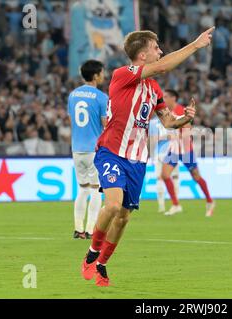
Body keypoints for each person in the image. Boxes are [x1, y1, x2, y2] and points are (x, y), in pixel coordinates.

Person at [80, 26, 215, 287]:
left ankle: (103, 265)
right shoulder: (122, 74)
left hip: (137, 160)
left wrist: (184, 118)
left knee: (124, 217)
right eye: (156, 48)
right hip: (111, 152)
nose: (160, 51)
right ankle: (92, 253)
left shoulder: (153, 89)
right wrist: (195, 45)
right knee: (113, 205)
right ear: (142, 55)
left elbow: (167, 122)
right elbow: (163, 66)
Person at [67, 60, 107, 239]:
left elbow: (71, 121)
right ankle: (91, 230)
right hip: (94, 149)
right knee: (97, 190)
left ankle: (78, 229)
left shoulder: (73, 95)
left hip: (77, 149)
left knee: (82, 189)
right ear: (96, 75)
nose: (104, 76)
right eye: (102, 73)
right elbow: (105, 124)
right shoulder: (100, 97)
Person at [161, 89, 215, 217]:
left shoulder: (181, 110)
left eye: (166, 96)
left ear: (174, 98)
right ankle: (176, 205)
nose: (163, 99)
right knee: (165, 174)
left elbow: (187, 129)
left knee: (196, 176)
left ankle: (210, 201)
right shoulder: (165, 112)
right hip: (174, 148)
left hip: (185, 149)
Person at [149, 114, 180, 213]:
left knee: (160, 178)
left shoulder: (153, 123)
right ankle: (175, 204)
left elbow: (153, 140)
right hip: (171, 152)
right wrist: (166, 136)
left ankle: (162, 206)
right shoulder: (171, 118)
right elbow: (176, 136)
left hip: (162, 153)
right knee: (174, 177)